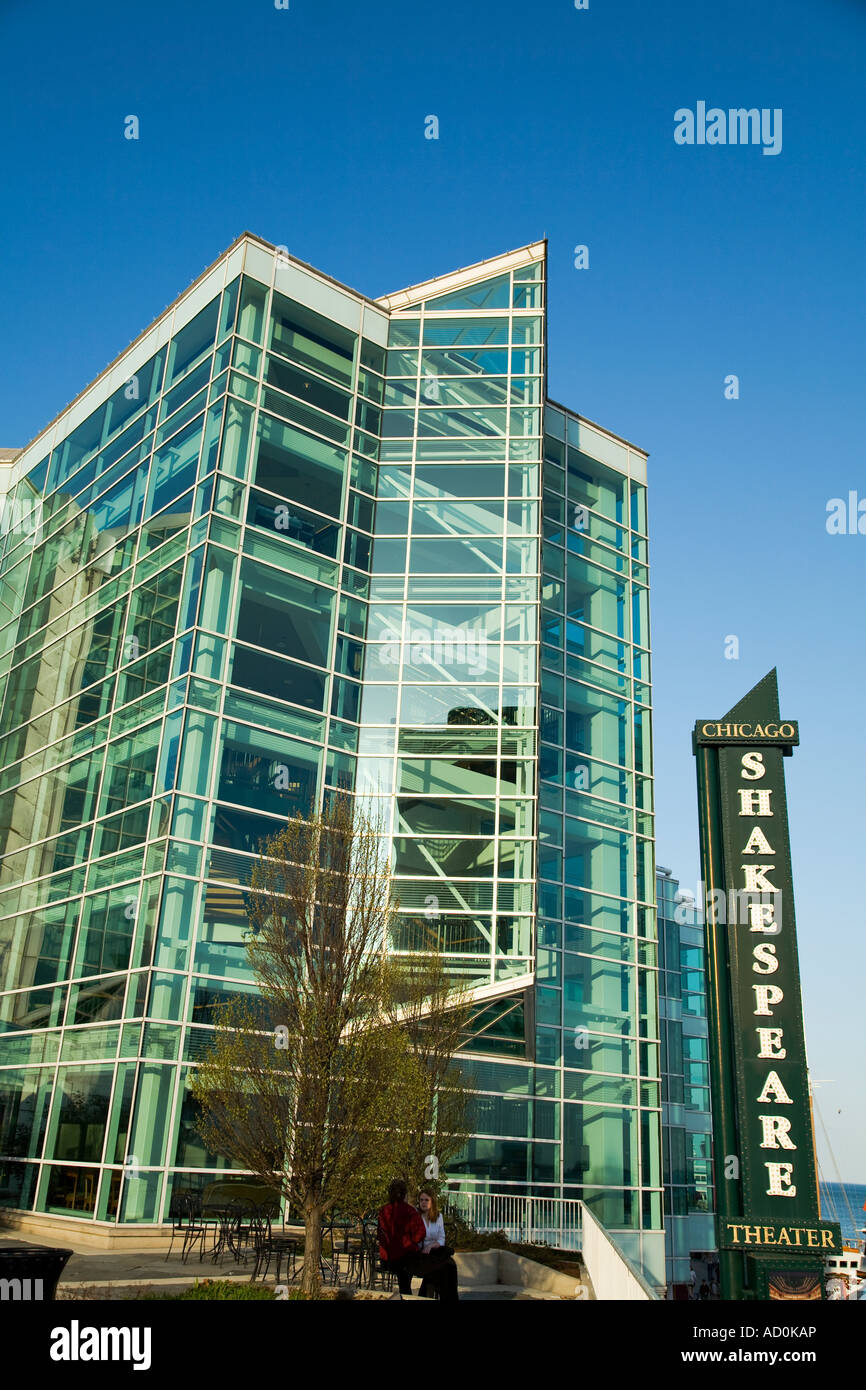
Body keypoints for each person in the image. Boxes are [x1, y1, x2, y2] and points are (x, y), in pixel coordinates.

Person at [377, 1179, 425, 1296]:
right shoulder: (410, 1211)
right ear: (404, 1194)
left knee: (403, 1278)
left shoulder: (384, 1211)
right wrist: (412, 1241)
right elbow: (420, 1233)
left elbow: (380, 1235)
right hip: (406, 1257)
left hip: (388, 1258)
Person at [415, 1190, 459, 1302]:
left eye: (426, 1200)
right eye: (421, 1200)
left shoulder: (438, 1216)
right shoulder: (416, 1216)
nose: (423, 1202)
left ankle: (427, 1294)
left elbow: (441, 1238)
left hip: (435, 1250)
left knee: (450, 1266)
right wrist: (426, 1247)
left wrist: (432, 1246)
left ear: (432, 1202)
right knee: (446, 1266)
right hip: (421, 1253)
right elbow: (416, 1238)